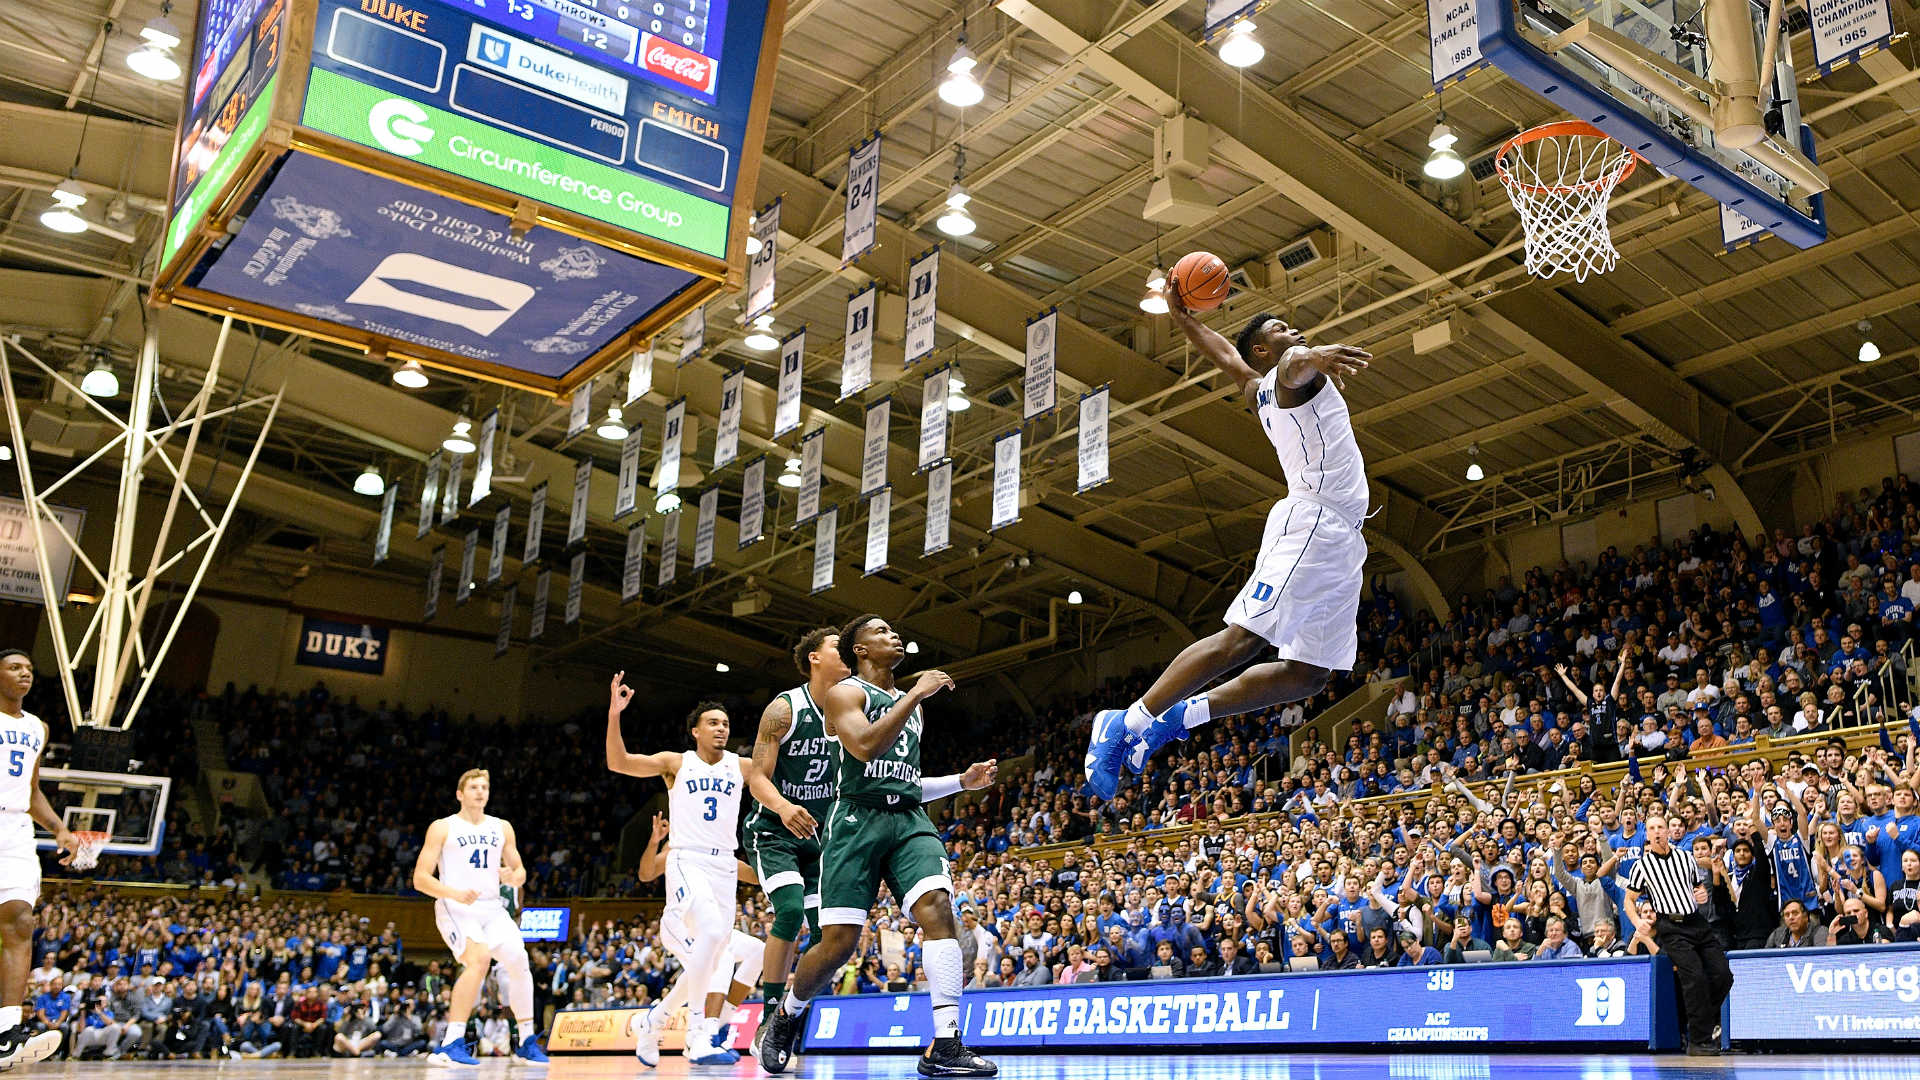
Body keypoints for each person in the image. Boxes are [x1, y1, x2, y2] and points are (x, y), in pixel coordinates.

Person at [1084, 305, 1373, 799]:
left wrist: (1184, 320)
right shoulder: (1289, 379)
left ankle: (1179, 715)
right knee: (1243, 640)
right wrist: (1314, 355)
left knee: (1309, 674)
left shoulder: (1255, 388)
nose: (1294, 330)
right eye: (1280, 330)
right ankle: (1126, 721)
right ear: (1263, 349)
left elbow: (1226, 355)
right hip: (1311, 522)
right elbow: (1292, 366)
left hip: (1344, 538)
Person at [755, 615, 998, 1078]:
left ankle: (945, 1043)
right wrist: (915, 693)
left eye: (894, 630)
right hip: (855, 821)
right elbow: (865, 747)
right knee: (839, 945)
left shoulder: (913, 709)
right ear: (860, 650)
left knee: (938, 909)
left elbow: (905, 782)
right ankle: (787, 1013)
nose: (895, 635)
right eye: (882, 631)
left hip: (905, 820)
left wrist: (960, 783)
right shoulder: (846, 694)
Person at [605, 685, 812, 1068]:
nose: (721, 728)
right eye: (712, 723)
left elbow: (781, 776)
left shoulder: (742, 767)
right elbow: (620, 762)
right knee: (715, 938)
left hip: (724, 865)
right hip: (687, 859)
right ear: (695, 731)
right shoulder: (676, 762)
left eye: (726, 723)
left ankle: (655, 1020)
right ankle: (699, 1034)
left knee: (714, 954)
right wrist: (615, 713)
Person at [408, 768, 548, 1067]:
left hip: (493, 908)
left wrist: (514, 876)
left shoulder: (502, 827)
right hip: (456, 906)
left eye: (484, 786)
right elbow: (420, 879)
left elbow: (520, 872)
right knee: (479, 959)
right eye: (473, 787)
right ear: (460, 794)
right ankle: (450, 1044)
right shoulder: (443, 827)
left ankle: (526, 1041)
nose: (480, 791)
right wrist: (454, 893)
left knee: (519, 962)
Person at [741, 629, 846, 1016]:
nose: (847, 651)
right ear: (815, 658)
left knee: (830, 936)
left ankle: (793, 1013)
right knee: (788, 910)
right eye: (838, 646)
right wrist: (784, 807)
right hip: (773, 832)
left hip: (819, 837)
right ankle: (769, 1014)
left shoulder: (849, 708)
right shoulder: (784, 709)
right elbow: (756, 778)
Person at [0, 650, 78, 1070]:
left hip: (14, 832)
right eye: (14, 667)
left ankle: (6, 1031)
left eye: (29, 669)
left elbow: (31, 793)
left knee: (21, 921)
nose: (24, 674)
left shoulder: (37, 728)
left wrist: (60, 829)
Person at [634, 813, 767, 1052]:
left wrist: (776, 856)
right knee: (720, 956)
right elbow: (645, 874)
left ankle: (671, 1020)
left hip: (715, 930)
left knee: (759, 951)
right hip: (681, 926)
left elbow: (756, 877)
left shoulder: (719, 853)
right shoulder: (678, 848)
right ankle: (707, 1030)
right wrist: (654, 842)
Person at [1625, 813, 1733, 1057]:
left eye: (1660, 827)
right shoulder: (1642, 866)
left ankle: (1700, 1021)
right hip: (1671, 927)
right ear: (1647, 834)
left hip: (1697, 922)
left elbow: (1697, 886)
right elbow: (1629, 900)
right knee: (1694, 978)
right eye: (1651, 828)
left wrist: (1701, 893)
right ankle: (1698, 1040)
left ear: (1667, 831)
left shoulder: (1686, 858)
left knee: (1723, 975)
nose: (1657, 832)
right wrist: (1637, 921)